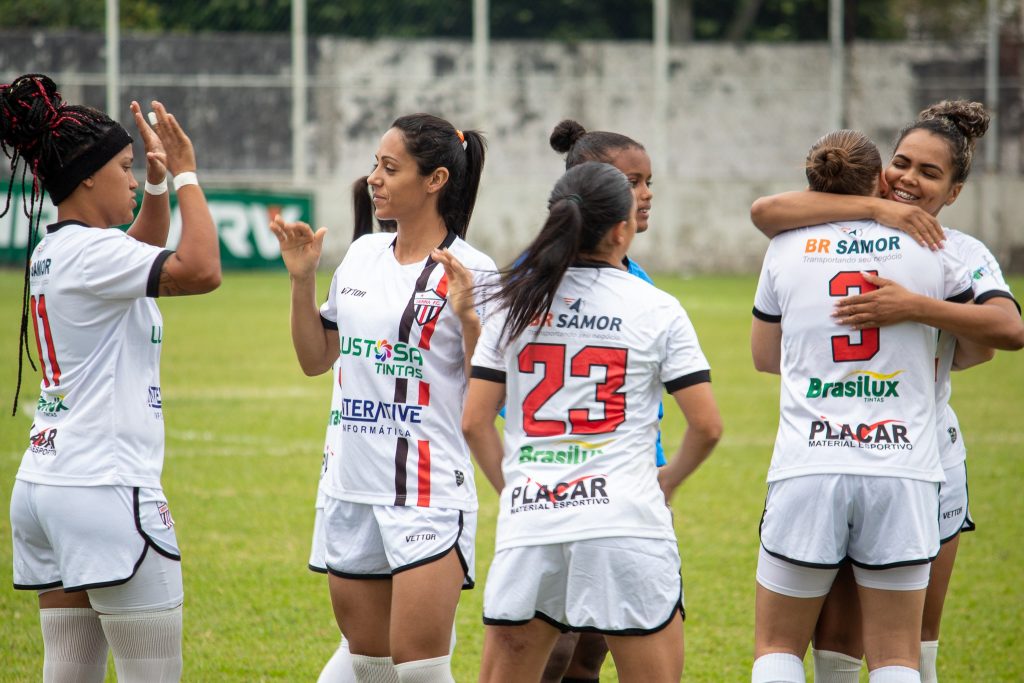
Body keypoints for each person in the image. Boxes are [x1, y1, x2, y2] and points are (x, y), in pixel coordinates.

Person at [751, 101, 1024, 682]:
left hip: (844, 455)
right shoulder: (941, 253)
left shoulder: (799, 242)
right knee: (888, 638)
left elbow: (1008, 329)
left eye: (930, 172)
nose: (908, 179)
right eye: (901, 163)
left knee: (839, 636)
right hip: (905, 460)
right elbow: (989, 344)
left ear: (953, 192)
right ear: (880, 170)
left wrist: (913, 309)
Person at [463, 161, 722, 683]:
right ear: (622, 229)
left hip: (532, 521)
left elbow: (474, 422)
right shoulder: (657, 307)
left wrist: (515, 489)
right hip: (625, 521)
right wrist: (665, 481)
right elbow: (707, 426)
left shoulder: (512, 303)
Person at [3, 73, 220, 683]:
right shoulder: (92, 254)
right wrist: (186, 174)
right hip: (105, 486)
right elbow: (200, 269)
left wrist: (154, 185)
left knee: (68, 673)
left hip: (47, 486)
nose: (132, 177)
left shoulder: (62, 247)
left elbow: (138, 249)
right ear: (89, 176)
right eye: (125, 166)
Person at [272, 113, 495, 683]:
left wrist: (469, 317)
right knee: (370, 667)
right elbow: (315, 358)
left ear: (435, 179)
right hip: (349, 488)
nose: (374, 177)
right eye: (375, 163)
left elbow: (490, 394)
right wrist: (301, 280)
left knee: (419, 670)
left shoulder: (474, 270)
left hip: (426, 492)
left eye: (389, 167)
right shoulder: (363, 255)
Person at [540, 119, 662, 683]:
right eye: (632, 181)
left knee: (593, 647)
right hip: (564, 482)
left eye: (648, 181)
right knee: (553, 639)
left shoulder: (642, 284)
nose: (645, 194)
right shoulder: (533, 284)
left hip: (631, 484)